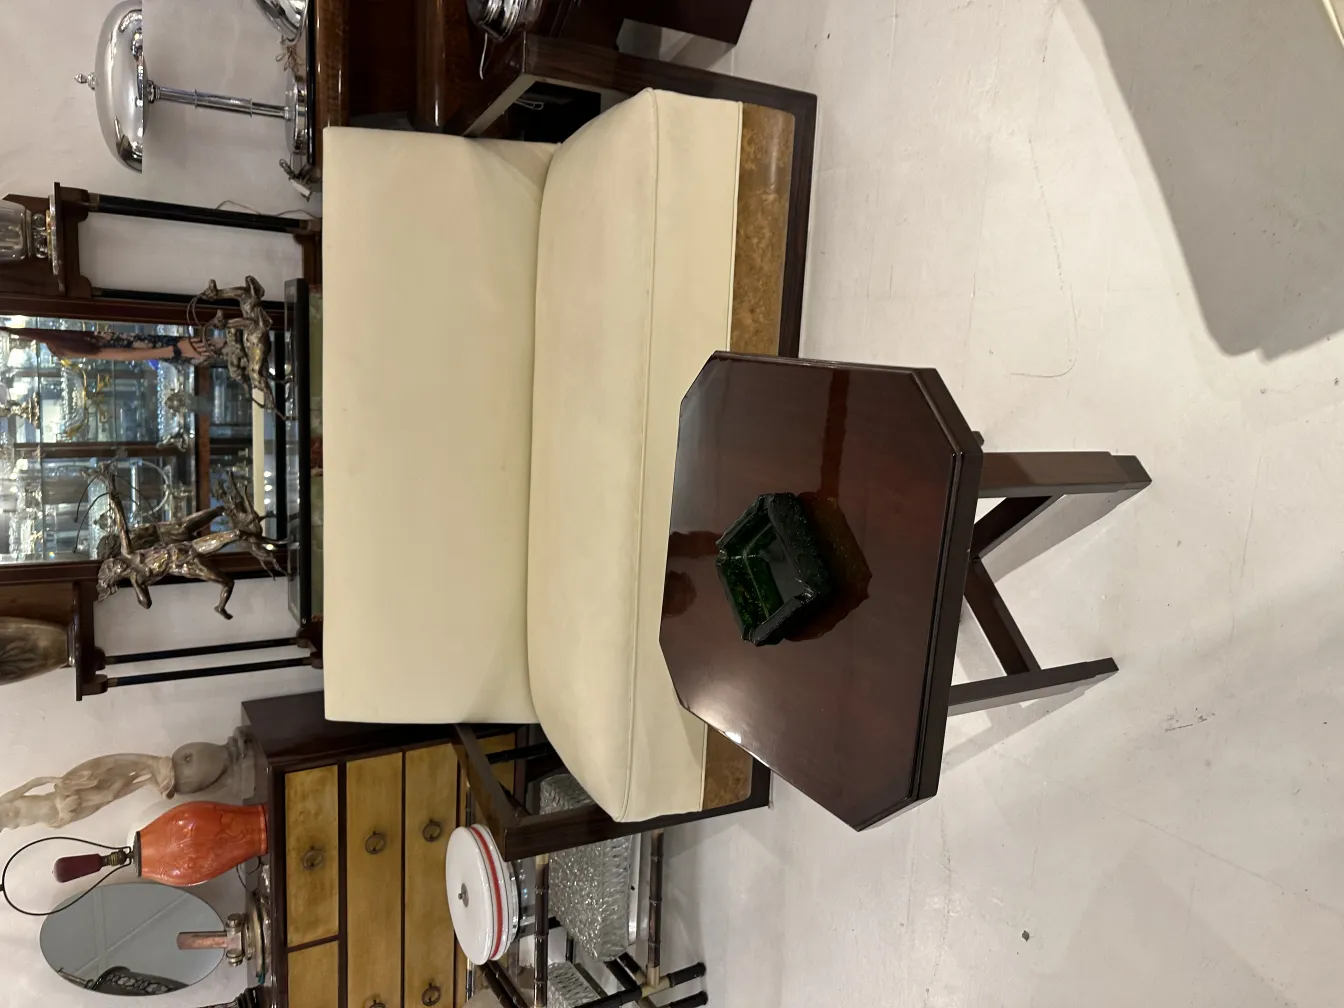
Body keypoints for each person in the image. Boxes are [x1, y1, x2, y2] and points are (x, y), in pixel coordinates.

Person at [29, 326, 212, 362]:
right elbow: (124, 354)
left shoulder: (62, 336)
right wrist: (174, 350)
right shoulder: (60, 347)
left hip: (163, 332)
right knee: (219, 348)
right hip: (164, 343)